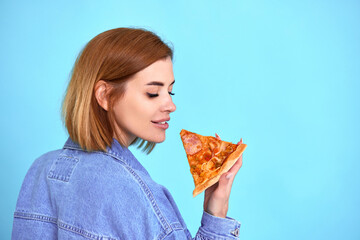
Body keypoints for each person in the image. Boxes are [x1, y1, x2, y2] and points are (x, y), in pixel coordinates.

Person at [12, 27, 244, 239]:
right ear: (104, 95)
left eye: (170, 92)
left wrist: (215, 206)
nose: (170, 105)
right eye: (153, 93)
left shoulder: (41, 170)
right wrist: (217, 220)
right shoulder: (137, 193)